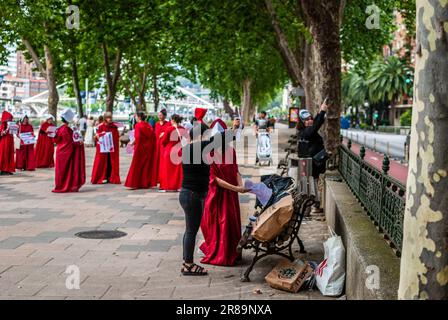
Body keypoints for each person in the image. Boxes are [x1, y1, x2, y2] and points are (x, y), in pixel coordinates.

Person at [199, 119, 247, 266]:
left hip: (231, 195)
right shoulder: (208, 154)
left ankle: (233, 251)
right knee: (221, 224)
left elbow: (236, 170)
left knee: (231, 223)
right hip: (217, 196)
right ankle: (221, 253)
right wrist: (236, 188)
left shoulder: (231, 151)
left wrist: (241, 184)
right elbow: (216, 180)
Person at [179, 122, 212, 276]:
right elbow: (221, 139)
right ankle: (188, 265)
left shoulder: (188, 148)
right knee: (191, 231)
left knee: (190, 230)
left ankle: (187, 262)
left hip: (188, 194)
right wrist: (236, 128)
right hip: (192, 195)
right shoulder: (195, 148)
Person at [296, 101, 328, 213]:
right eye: (306, 120)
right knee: (310, 187)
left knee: (314, 185)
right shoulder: (305, 132)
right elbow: (315, 126)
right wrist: (322, 111)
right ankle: (308, 209)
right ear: (302, 122)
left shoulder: (309, 131)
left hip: (315, 164)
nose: (309, 121)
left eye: (310, 118)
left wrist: (320, 112)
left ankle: (315, 205)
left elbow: (316, 124)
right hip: (311, 165)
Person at [52, 109, 86, 193]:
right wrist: (79, 143)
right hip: (66, 152)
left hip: (60, 152)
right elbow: (70, 143)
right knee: (67, 171)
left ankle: (61, 185)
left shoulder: (59, 129)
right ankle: (66, 185)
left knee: (61, 171)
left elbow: (56, 140)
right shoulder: (66, 129)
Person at [124, 112, 157, 189]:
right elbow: (152, 137)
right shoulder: (148, 125)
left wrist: (133, 143)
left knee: (136, 165)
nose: (135, 118)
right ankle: (145, 183)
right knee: (145, 166)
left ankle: (134, 183)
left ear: (139, 117)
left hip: (139, 148)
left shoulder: (138, 125)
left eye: (135, 117)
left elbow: (138, 137)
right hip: (148, 149)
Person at [91, 111, 121, 184]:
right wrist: (98, 136)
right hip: (103, 149)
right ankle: (101, 177)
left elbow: (116, 136)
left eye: (110, 117)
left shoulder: (114, 127)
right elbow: (95, 137)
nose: (109, 119)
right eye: (108, 118)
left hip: (112, 148)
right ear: (105, 118)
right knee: (102, 162)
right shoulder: (100, 126)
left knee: (111, 162)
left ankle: (111, 177)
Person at [159, 114, 185, 192]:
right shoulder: (183, 128)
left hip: (169, 151)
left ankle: (167, 186)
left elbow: (164, 141)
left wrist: (162, 136)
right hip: (179, 151)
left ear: (173, 120)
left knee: (167, 170)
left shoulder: (169, 129)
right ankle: (178, 186)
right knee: (178, 171)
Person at [154, 109, 170, 185]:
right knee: (157, 161)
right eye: (159, 115)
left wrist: (164, 134)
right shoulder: (156, 124)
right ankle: (157, 178)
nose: (159, 116)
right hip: (157, 146)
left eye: (161, 115)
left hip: (164, 146)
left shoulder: (168, 124)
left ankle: (163, 177)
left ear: (164, 116)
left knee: (163, 162)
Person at [0, 111, 15, 175]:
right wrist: (4, 132)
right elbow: (1, 133)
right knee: (5, 155)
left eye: (10, 118)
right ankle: (3, 169)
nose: (9, 119)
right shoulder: (3, 125)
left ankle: (9, 169)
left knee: (9, 154)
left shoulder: (11, 124)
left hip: (10, 141)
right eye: (8, 118)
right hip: (5, 142)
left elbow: (14, 132)